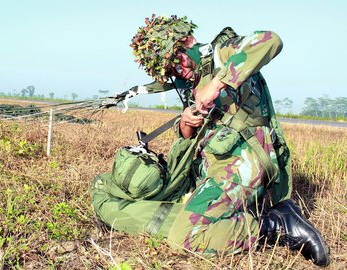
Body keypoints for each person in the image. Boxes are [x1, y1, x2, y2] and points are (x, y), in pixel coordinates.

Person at [91, 15, 330, 266]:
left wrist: (216, 85)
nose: (178, 70)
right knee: (130, 194)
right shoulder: (192, 81)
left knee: (187, 235)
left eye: (177, 60)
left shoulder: (222, 53)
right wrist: (186, 123)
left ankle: (275, 225)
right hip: (207, 168)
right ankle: (216, 215)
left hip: (240, 164)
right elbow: (191, 138)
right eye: (171, 70)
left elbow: (270, 40)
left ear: (188, 40)